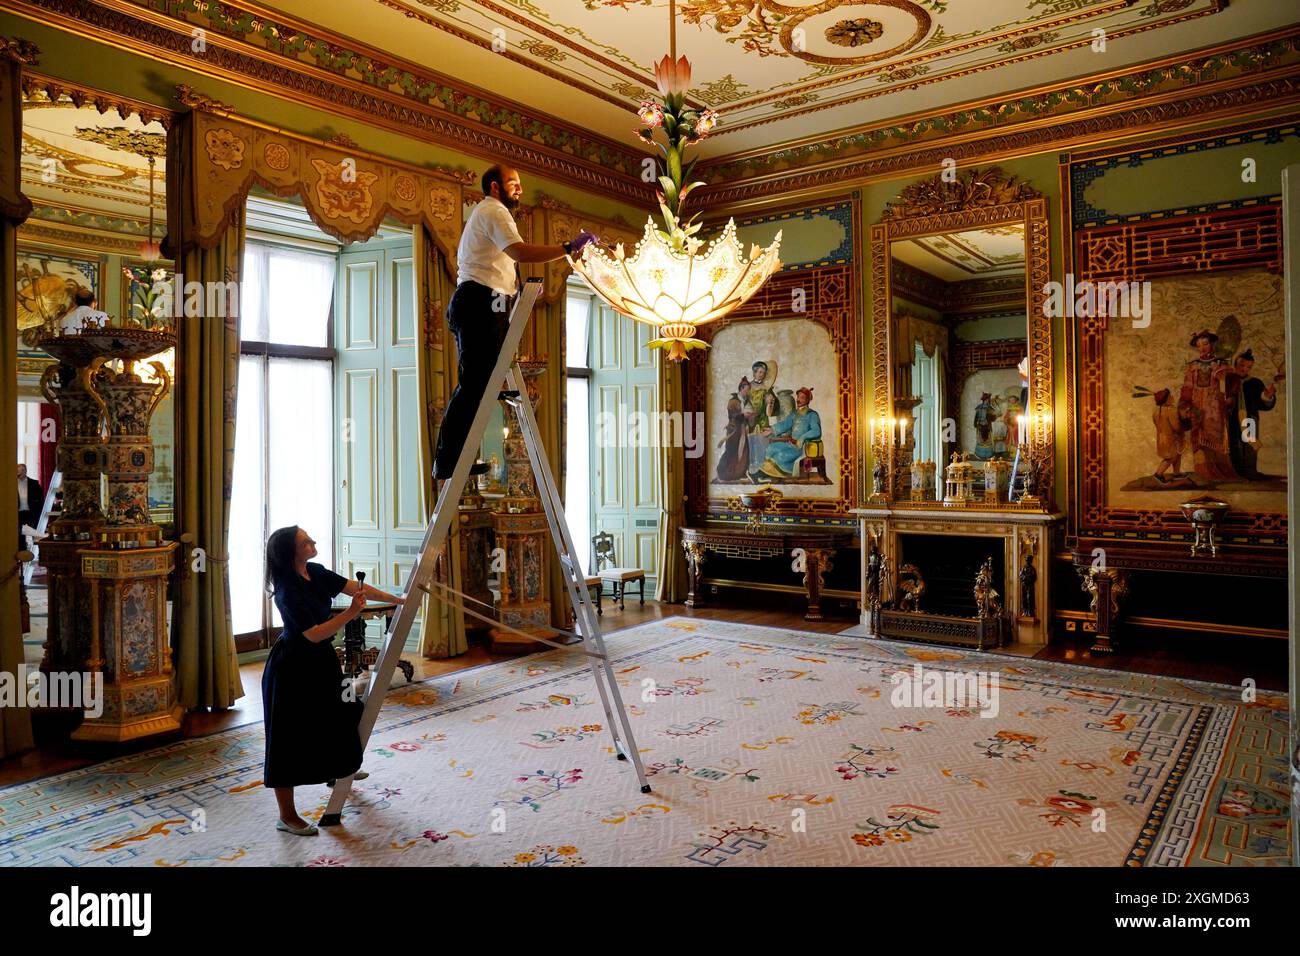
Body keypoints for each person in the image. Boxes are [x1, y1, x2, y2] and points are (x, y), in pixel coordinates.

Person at [431, 164, 597, 481]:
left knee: (482, 383)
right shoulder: (493, 211)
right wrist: (566, 248)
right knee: (473, 385)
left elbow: (503, 264)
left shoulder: (496, 215)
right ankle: (448, 460)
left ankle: (455, 457)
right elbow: (519, 252)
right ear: (495, 187)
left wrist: (519, 291)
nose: (519, 188)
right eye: (512, 183)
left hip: (489, 302)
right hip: (478, 302)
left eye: (520, 183)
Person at [262, 525, 404, 836]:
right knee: (287, 741)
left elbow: (355, 588)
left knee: (345, 711)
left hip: (322, 662)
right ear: (291, 552)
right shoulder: (287, 589)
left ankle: (338, 768)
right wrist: (352, 614)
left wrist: (398, 600)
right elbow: (313, 634)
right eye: (305, 541)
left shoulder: (315, 571)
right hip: (292, 668)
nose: (312, 541)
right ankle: (286, 816)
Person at [1177, 329, 1237, 483]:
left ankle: (1219, 473)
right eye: (1199, 345)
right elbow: (1187, 387)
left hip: (1215, 408)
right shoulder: (1192, 366)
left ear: (1211, 344)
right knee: (1198, 438)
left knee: (1216, 438)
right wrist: (1185, 405)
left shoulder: (1222, 363)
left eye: (1205, 344)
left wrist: (1226, 390)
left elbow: (1232, 384)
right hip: (1197, 408)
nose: (1202, 348)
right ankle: (1203, 474)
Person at [1224, 349, 1283, 479]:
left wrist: (1267, 396)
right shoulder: (1227, 380)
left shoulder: (1255, 383)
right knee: (1234, 443)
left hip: (1249, 417)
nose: (1244, 369)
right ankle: (1236, 472)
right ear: (1235, 364)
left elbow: (1263, 403)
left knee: (1249, 443)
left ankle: (1250, 472)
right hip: (1232, 418)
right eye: (1242, 365)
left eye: (1248, 367)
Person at [1150, 388, 1185, 482]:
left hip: (1161, 439)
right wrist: (1183, 427)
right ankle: (1158, 474)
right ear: (1166, 399)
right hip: (1172, 439)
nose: (1172, 397)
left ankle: (1176, 473)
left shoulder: (1156, 412)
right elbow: (1176, 427)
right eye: (1170, 396)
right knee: (1171, 457)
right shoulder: (1171, 411)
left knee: (1177, 454)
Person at [17, 464, 42, 551]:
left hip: (31, 512)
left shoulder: (34, 483)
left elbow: (40, 498)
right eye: (19, 470)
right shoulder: (12, 484)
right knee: (20, 534)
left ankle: (38, 551)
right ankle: (22, 553)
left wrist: (38, 511)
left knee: (34, 532)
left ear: (26, 471)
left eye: (23, 470)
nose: (21, 472)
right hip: (18, 513)